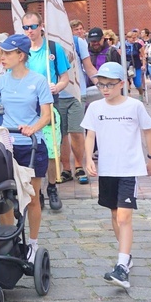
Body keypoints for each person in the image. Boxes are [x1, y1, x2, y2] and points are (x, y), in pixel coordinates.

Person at [0, 34, 53, 262]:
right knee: (3, 196)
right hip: (6, 145)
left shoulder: (38, 81)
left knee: (32, 197)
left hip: (31, 145)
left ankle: (33, 244)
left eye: (7, 53)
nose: (2, 56)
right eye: (1, 52)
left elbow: (46, 116)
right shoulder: (0, 81)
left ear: (21, 55)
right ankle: (8, 240)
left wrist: (32, 127)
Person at [82, 62, 151, 289]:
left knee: (124, 217)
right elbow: (89, 136)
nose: (105, 89)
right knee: (115, 215)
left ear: (121, 84)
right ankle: (126, 255)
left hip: (129, 168)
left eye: (110, 84)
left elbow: (148, 131)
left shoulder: (134, 106)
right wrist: (87, 159)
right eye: (101, 84)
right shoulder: (95, 108)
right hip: (107, 169)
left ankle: (122, 266)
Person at [22, 12, 70, 211]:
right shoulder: (21, 51)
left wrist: (57, 87)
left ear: (41, 26)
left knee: (51, 149)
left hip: (49, 106)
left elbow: (65, 77)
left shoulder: (52, 48)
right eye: (26, 28)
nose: (30, 31)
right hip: (27, 107)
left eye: (33, 26)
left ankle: (51, 187)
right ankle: (36, 192)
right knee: (30, 149)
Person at [58, 20, 98, 186]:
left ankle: (79, 166)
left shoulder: (78, 42)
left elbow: (88, 67)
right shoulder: (50, 44)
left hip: (76, 93)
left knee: (76, 131)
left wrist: (104, 85)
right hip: (56, 95)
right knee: (61, 134)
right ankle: (66, 168)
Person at [124, 29, 146, 100]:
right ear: (127, 38)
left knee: (137, 83)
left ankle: (141, 92)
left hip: (136, 66)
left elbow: (143, 56)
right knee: (126, 82)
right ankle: (128, 96)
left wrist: (143, 65)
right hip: (126, 66)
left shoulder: (138, 45)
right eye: (131, 38)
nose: (133, 39)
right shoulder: (123, 45)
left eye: (134, 37)